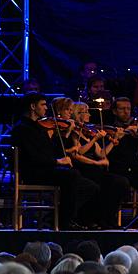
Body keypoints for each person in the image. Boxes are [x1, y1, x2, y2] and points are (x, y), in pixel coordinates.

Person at [8, 93, 99, 229]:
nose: (46, 108)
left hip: (46, 168)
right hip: (33, 172)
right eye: (43, 105)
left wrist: (65, 136)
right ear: (33, 107)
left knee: (90, 186)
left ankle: (58, 218)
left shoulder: (39, 126)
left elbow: (51, 150)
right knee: (71, 176)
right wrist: (58, 162)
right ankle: (64, 222)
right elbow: (33, 157)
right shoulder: (22, 128)